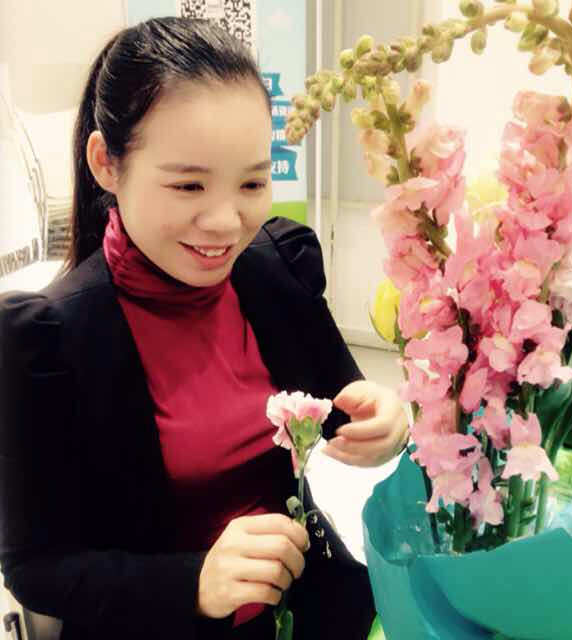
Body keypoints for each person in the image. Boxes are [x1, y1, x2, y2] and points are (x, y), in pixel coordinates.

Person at [0, 17, 409, 640]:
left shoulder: (277, 266)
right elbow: (37, 568)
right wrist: (194, 582)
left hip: (316, 612)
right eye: (189, 184)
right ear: (106, 163)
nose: (225, 221)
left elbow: (337, 405)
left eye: (252, 182)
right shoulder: (47, 341)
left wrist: (382, 421)